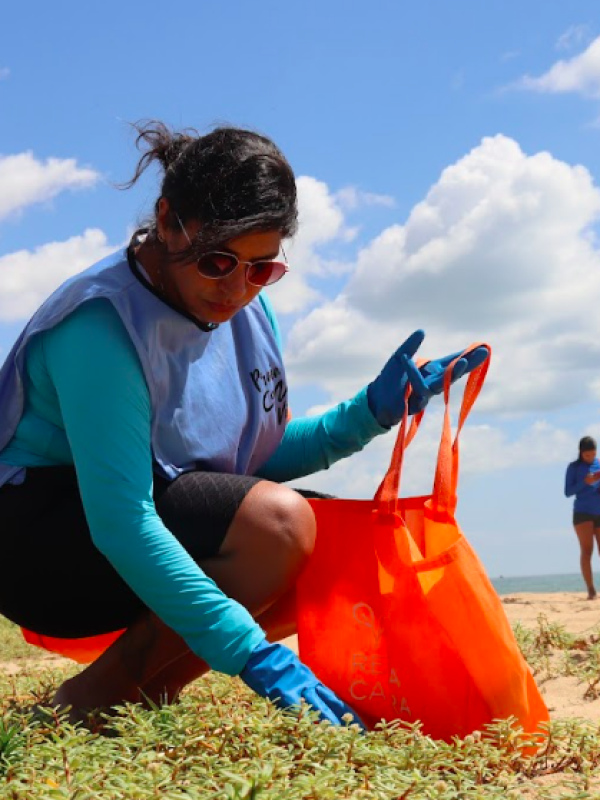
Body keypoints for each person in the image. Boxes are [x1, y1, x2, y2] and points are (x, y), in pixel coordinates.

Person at [0, 121, 488, 727]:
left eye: (262, 269)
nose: (236, 289)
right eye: (216, 261)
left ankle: (149, 692)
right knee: (280, 528)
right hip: (40, 543)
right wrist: (251, 654)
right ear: (167, 218)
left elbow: (253, 462)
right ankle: (95, 697)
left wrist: (370, 413)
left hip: (137, 517)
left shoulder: (244, 309)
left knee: (331, 537)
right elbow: (123, 519)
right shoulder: (101, 324)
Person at [565, 436, 600, 600]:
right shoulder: (573, 467)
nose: (591, 458)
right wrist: (585, 482)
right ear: (581, 453)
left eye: (593, 454)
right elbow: (568, 492)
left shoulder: (598, 464)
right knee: (587, 551)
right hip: (582, 512)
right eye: (587, 455)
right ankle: (591, 590)